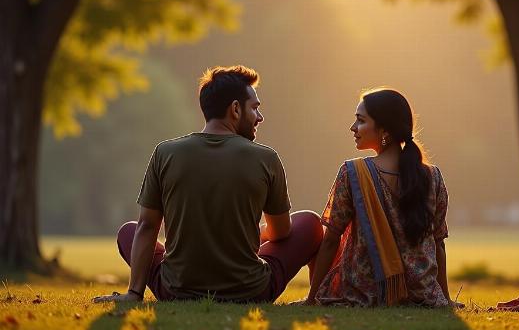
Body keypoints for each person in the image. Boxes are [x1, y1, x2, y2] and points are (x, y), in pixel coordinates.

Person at [93, 65, 323, 304]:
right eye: (255, 108)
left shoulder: (165, 152)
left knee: (129, 231)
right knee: (309, 222)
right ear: (235, 109)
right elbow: (282, 232)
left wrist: (134, 294)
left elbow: (147, 226)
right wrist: (258, 233)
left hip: (175, 290)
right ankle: (312, 297)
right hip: (251, 292)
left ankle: (136, 292)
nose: (260, 117)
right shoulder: (266, 158)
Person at [302, 88, 461, 308]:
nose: (353, 128)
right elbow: (438, 243)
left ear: (384, 130)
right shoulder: (432, 176)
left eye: (360, 121)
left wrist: (311, 299)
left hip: (366, 292)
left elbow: (331, 239)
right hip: (421, 292)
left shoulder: (353, 173)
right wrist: (443, 298)